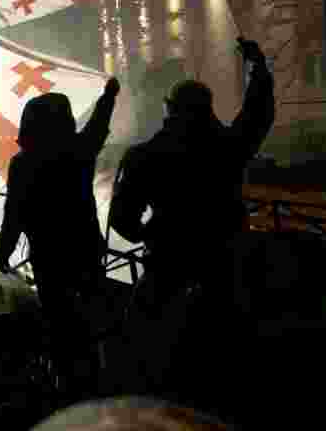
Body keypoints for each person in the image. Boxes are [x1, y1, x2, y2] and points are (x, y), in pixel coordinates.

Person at [106, 38, 274, 404]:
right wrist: (258, 67)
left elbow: (122, 219)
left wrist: (148, 232)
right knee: (239, 350)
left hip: (168, 265)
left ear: (169, 109)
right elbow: (257, 113)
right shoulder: (230, 147)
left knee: (139, 347)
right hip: (225, 262)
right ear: (207, 108)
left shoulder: (144, 156)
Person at [0, 76, 120, 401]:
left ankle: (68, 389)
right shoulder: (80, 151)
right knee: (92, 320)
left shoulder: (22, 164)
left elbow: (15, 213)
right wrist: (108, 95)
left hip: (49, 259)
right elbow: (98, 126)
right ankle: (98, 384)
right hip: (85, 251)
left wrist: (3, 250)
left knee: (61, 326)